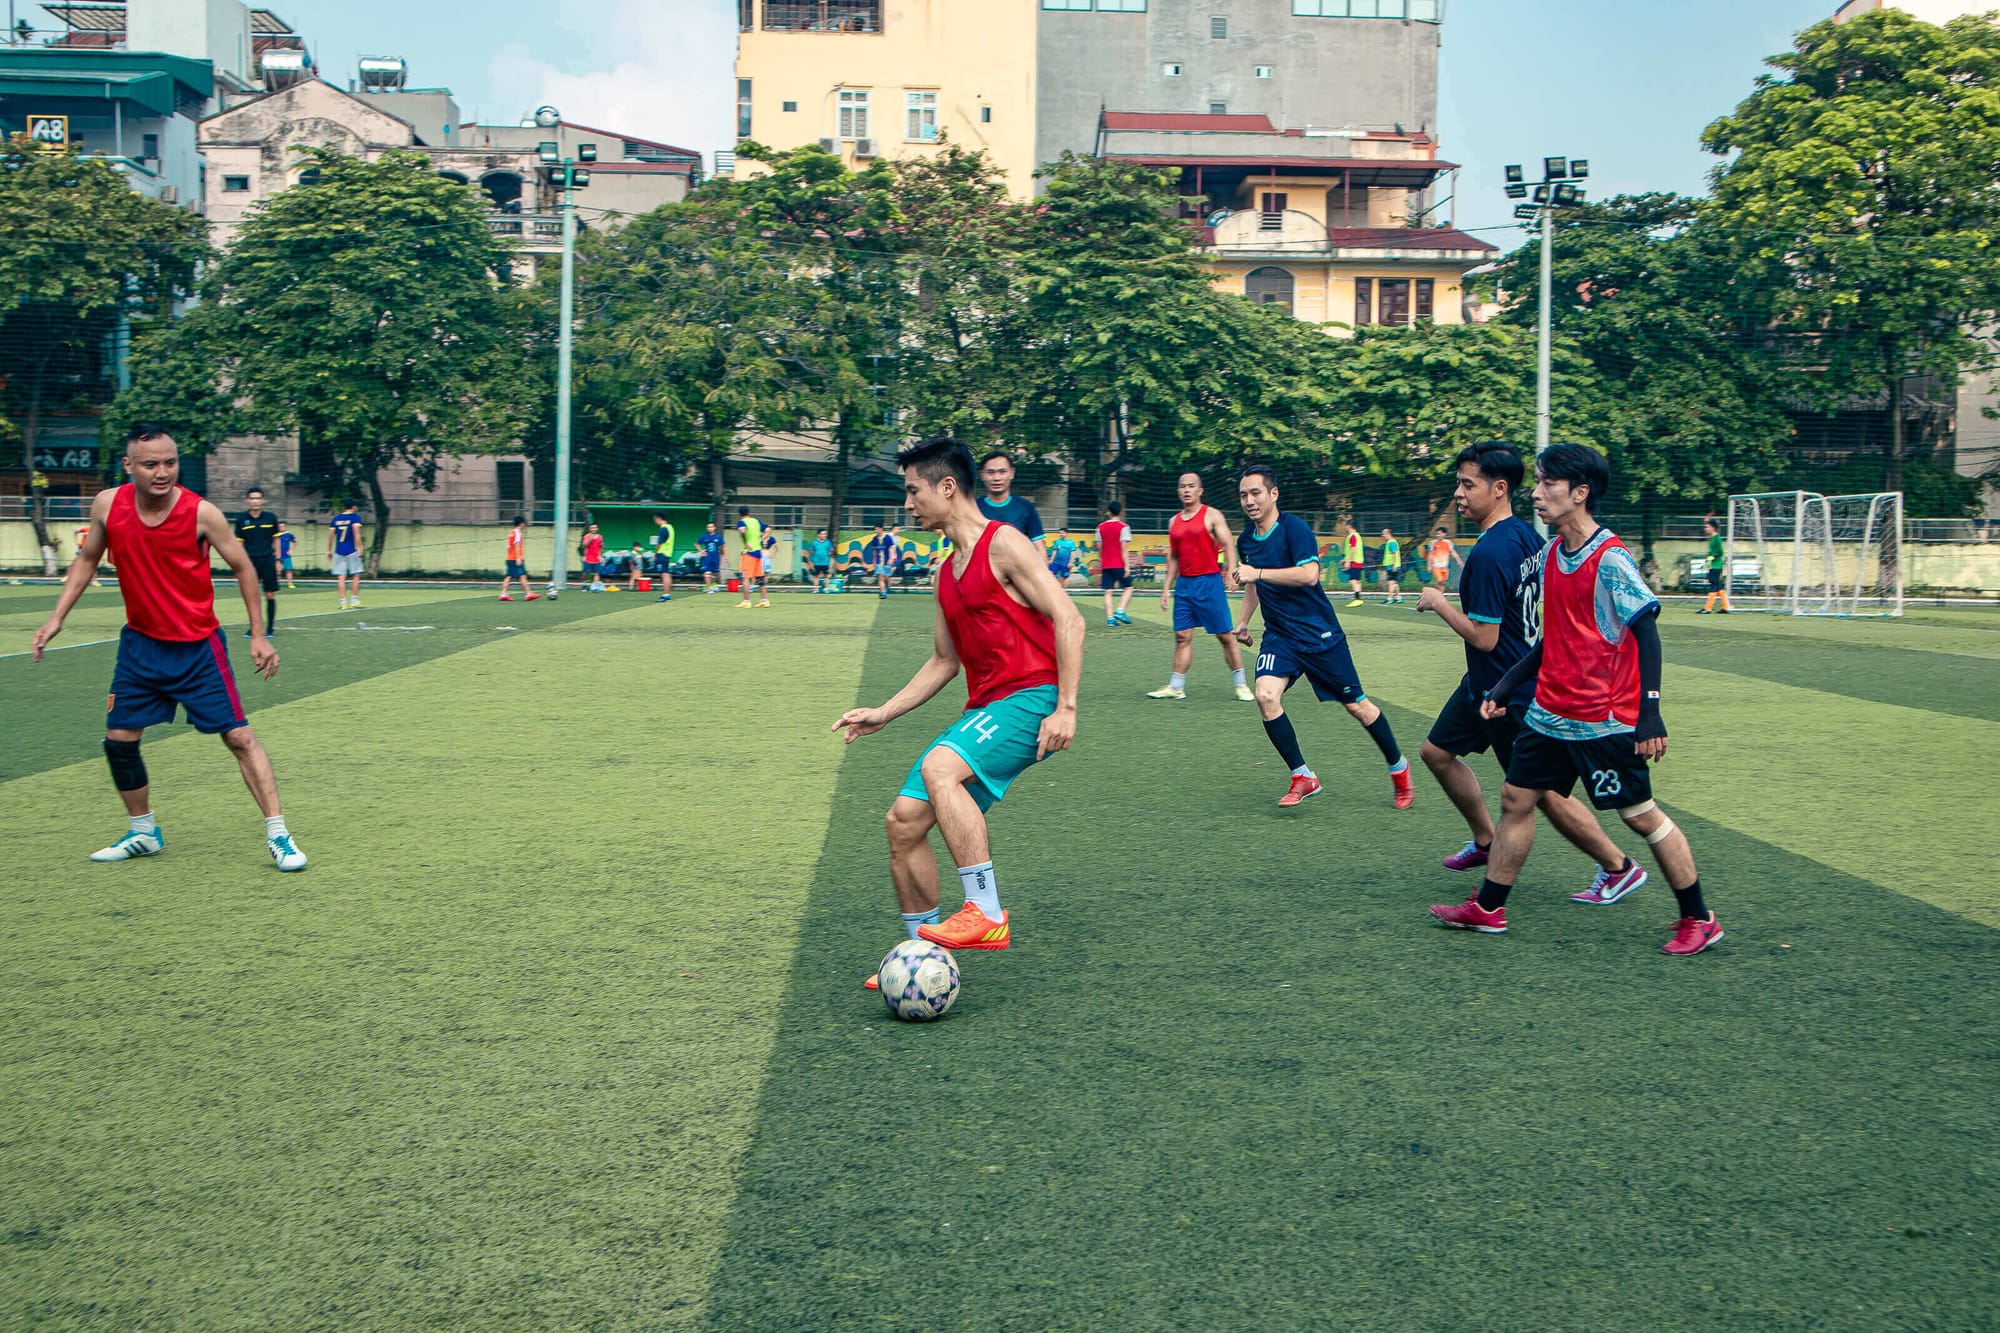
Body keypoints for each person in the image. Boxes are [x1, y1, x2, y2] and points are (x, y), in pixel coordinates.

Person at [1430, 443, 1722, 956]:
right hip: (1549, 711)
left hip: (1603, 717)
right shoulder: (1550, 555)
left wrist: (1650, 713)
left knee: (1640, 815)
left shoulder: (1610, 559)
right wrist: (1504, 687)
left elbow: (1647, 634)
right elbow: (1551, 641)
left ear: (1580, 493)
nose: (1537, 493)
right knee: (1517, 799)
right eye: (1537, 483)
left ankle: (1698, 917)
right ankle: (1490, 908)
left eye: (1547, 485)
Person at [832, 436, 1082, 989]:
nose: (907, 503)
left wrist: (1065, 707)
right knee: (902, 822)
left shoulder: (1005, 544)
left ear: (947, 487)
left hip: (1034, 697)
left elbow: (1070, 619)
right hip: (989, 706)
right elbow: (945, 660)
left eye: (913, 490)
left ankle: (986, 913)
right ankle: (920, 956)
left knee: (940, 768)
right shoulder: (945, 573)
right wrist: (883, 712)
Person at [30, 424, 306, 872]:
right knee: (119, 742)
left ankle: (280, 835)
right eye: (151, 464)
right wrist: (57, 617)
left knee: (238, 736)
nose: (163, 472)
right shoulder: (107, 504)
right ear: (129, 466)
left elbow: (244, 568)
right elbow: (86, 559)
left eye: (170, 463)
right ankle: (143, 833)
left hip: (198, 649)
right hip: (140, 648)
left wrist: (258, 633)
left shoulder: (202, 513)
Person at [1415, 442, 1645, 905]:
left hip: (1508, 689)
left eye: (1467, 485)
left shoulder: (1487, 556)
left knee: (1539, 794)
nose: (1458, 494)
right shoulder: (1524, 535)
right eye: (1458, 483)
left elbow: (1485, 638)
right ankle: (1485, 842)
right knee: (1436, 752)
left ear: (1499, 489)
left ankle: (1618, 866)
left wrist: (1439, 603)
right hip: (1485, 682)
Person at [1231, 466, 1414, 810]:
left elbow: (1309, 574)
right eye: (1243, 495)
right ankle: (1303, 776)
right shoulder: (1246, 540)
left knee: (1358, 707)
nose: (1249, 501)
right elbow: (1254, 585)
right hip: (1280, 637)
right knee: (1265, 695)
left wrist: (1256, 572)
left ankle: (1399, 769)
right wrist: (1243, 622)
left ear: (1273, 494)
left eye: (1256, 493)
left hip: (1320, 636)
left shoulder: (1294, 529)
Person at [1149, 472, 1253, 702]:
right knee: (1182, 636)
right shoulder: (1173, 522)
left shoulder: (1212, 515)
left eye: (1191, 486)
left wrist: (1231, 574)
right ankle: (1176, 687)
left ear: (1200, 491)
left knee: (1225, 636)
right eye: (1182, 486)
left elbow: (1228, 544)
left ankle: (1241, 684)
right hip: (1184, 586)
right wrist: (1167, 588)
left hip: (1209, 583)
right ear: (1178, 491)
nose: (1186, 490)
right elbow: (1174, 556)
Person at [233, 488, 282, 637]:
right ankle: (253, 628)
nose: (255, 501)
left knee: (269, 595)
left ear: (263, 500)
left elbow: (276, 540)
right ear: (248, 501)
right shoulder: (241, 519)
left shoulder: (270, 518)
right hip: (249, 563)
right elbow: (239, 544)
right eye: (252, 498)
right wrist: (239, 565)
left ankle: (270, 629)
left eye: (258, 498)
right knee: (251, 596)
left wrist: (278, 560)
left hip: (267, 560)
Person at [976, 451, 1046, 547]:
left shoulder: (1026, 508)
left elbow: (1039, 547)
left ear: (1012, 473)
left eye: (1002, 472)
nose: (996, 478)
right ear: (982, 475)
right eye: (990, 472)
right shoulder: (973, 508)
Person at [1097, 501, 1136, 627]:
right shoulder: (1124, 527)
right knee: (1128, 588)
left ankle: (1110, 619)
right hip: (1119, 564)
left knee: (1108, 591)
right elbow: (1124, 547)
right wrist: (1127, 566)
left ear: (1109, 512)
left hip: (1106, 564)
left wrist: (1103, 559)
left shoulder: (1100, 527)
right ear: (1121, 512)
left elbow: (1099, 547)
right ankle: (1120, 610)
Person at [328, 501, 365, 609]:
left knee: (341, 577)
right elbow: (356, 533)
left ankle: (343, 602)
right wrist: (360, 547)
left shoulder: (335, 519)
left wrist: (329, 550)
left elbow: (330, 536)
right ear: (353, 506)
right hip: (351, 550)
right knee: (356, 575)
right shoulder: (354, 517)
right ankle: (354, 601)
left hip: (339, 550)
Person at [498, 515, 540, 602]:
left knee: (509, 577)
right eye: (524, 523)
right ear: (521, 523)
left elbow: (509, 546)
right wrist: (518, 558)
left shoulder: (511, 532)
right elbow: (517, 544)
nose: (524, 525)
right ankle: (528, 594)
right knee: (522, 576)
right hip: (514, 558)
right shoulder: (517, 532)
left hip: (509, 558)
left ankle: (503, 594)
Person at [736, 507, 769, 608]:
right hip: (758, 553)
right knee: (760, 577)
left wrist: (746, 543)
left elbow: (742, 531)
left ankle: (746, 601)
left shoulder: (741, 522)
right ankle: (764, 600)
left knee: (746, 577)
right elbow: (768, 530)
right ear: (749, 512)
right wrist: (761, 540)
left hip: (748, 553)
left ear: (739, 514)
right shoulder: (756, 521)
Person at [1699, 517, 1731, 614]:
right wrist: (1706, 564)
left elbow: (1719, 553)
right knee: (1719, 586)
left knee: (1714, 585)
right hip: (1713, 565)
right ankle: (1726, 607)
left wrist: (1711, 558)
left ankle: (1708, 608)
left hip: (1716, 566)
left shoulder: (1717, 538)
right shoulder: (1713, 538)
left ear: (1712, 527)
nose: (1706, 529)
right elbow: (1711, 553)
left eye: (1707, 527)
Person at [865, 524, 898, 599]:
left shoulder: (888, 538)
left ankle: (885, 589)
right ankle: (883, 593)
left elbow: (892, 548)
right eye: (875, 529)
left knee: (887, 577)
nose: (876, 531)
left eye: (877, 529)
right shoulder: (875, 539)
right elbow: (874, 551)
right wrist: (873, 561)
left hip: (887, 561)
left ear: (881, 529)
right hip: (879, 561)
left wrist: (891, 558)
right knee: (880, 577)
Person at [651, 513, 677, 602]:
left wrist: (655, 553)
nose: (655, 521)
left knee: (664, 574)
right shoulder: (670, 527)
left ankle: (665, 595)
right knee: (666, 573)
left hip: (663, 553)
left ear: (659, 518)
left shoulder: (663, 529)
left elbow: (659, 544)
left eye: (655, 519)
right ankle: (667, 594)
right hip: (668, 553)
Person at [1340, 522, 1366, 607]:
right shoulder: (1358, 536)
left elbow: (1353, 549)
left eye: (1346, 526)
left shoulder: (1352, 536)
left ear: (1349, 526)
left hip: (1354, 562)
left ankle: (1357, 599)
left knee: (1353, 580)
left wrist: (1348, 561)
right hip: (1359, 562)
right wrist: (1344, 559)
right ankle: (1358, 598)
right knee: (1357, 581)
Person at [697, 522, 725, 594]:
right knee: (707, 572)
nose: (710, 528)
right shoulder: (704, 536)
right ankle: (708, 587)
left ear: (714, 527)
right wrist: (701, 551)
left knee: (714, 573)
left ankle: (712, 585)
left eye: (711, 527)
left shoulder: (718, 536)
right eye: (708, 527)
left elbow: (723, 546)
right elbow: (696, 544)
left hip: (715, 557)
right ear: (707, 528)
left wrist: (724, 555)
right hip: (707, 557)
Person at [1379, 528, 1405, 604]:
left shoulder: (1391, 542)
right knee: (1395, 582)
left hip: (1391, 566)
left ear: (1388, 534)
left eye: (1383, 534)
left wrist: (1394, 565)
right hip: (1391, 565)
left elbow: (1395, 553)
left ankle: (1390, 598)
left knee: (1391, 582)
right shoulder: (1391, 542)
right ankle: (1398, 597)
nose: (1382, 535)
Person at [581, 523, 606, 592]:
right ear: (589, 529)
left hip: (596, 558)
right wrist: (590, 539)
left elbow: (601, 547)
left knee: (596, 573)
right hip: (588, 557)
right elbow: (584, 546)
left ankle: (595, 586)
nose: (593, 529)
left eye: (595, 528)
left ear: (597, 529)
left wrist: (601, 556)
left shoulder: (600, 537)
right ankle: (584, 585)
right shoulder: (587, 536)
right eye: (592, 528)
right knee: (585, 573)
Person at [277, 522, 298, 589]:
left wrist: (291, 550)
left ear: (285, 527)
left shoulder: (289, 534)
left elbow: (295, 541)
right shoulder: (275, 535)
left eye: (283, 526)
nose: (281, 527)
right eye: (280, 526)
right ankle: (276, 584)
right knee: (277, 570)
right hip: (277, 556)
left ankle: (290, 584)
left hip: (286, 556)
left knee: (289, 570)